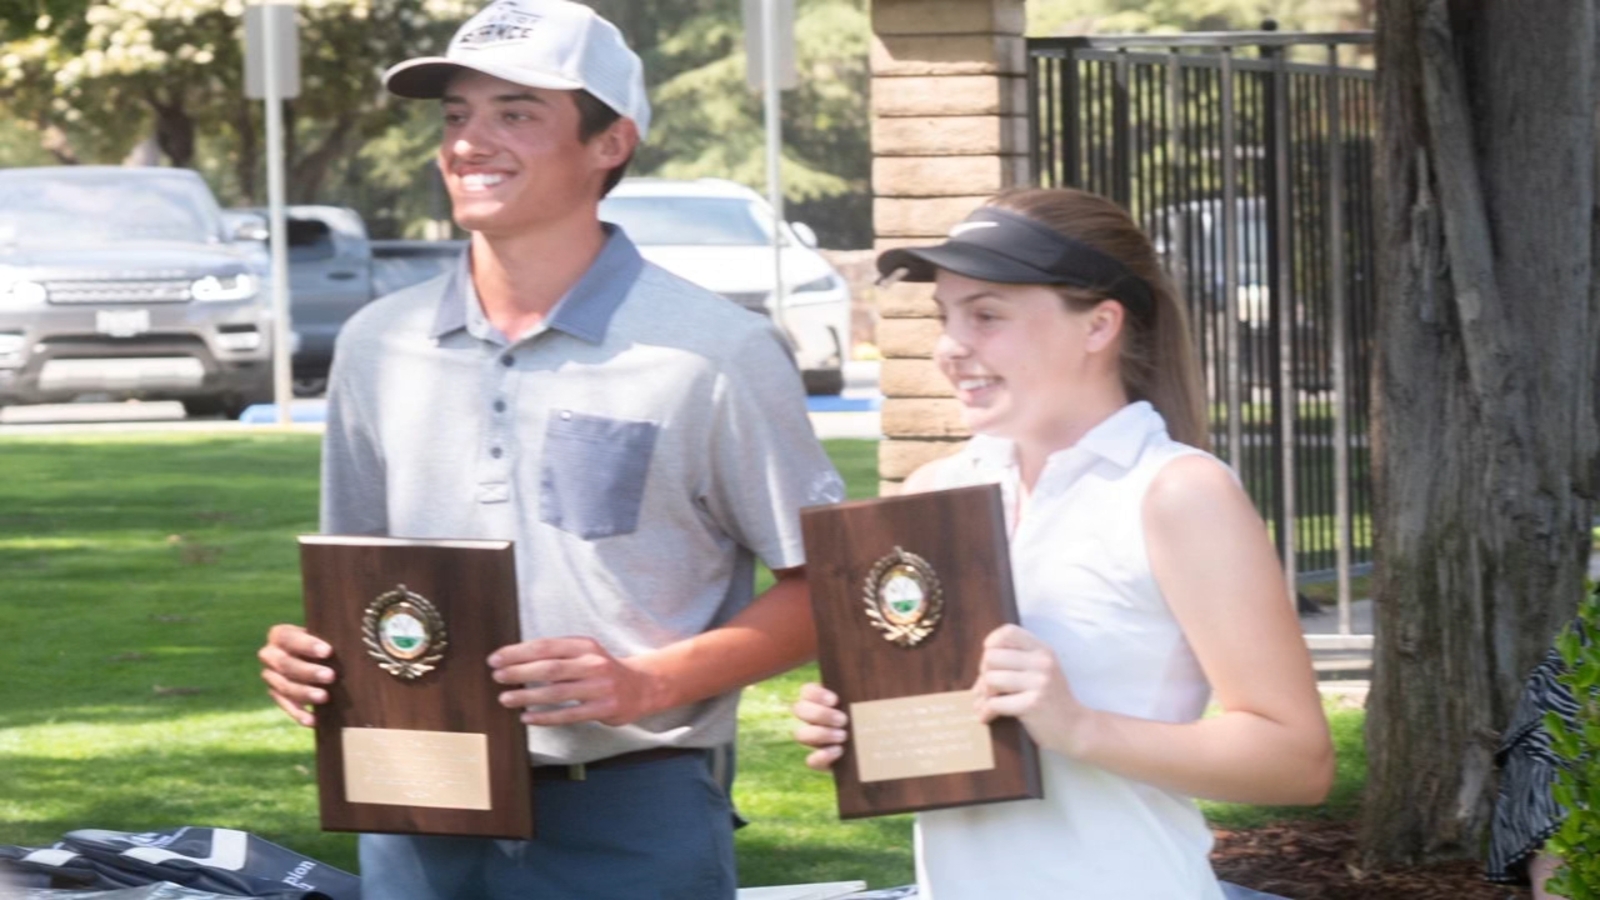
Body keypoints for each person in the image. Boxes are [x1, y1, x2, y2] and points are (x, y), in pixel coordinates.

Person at [256, 2, 844, 898]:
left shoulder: (715, 351)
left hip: (631, 813)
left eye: (515, 113)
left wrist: (645, 683)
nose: (469, 141)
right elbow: (367, 586)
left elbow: (825, 587)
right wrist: (314, 654)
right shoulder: (378, 344)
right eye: (457, 115)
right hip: (415, 806)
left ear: (611, 143)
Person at [792, 187, 1335, 898]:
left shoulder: (1175, 494)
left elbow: (1297, 760)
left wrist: (1078, 727)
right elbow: (945, 744)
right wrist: (859, 726)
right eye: (946, 317)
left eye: (987, 316)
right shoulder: (934, 492)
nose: (952, 347)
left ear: (1099, 324)